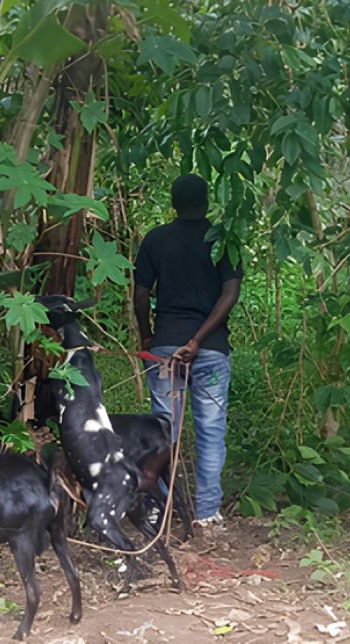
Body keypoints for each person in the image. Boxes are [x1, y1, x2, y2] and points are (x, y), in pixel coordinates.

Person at [133, 173, 242, 528]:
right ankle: (208, 513)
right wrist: (198, 340)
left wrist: (147, 336)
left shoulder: (156, 239)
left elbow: (140, 295)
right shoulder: (224, 240)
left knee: (164, 432)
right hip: (211, 350)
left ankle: (160, 508)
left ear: (173, 203)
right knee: (211, 432)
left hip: (165, 347)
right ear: (208, 202)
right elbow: (229, 295)